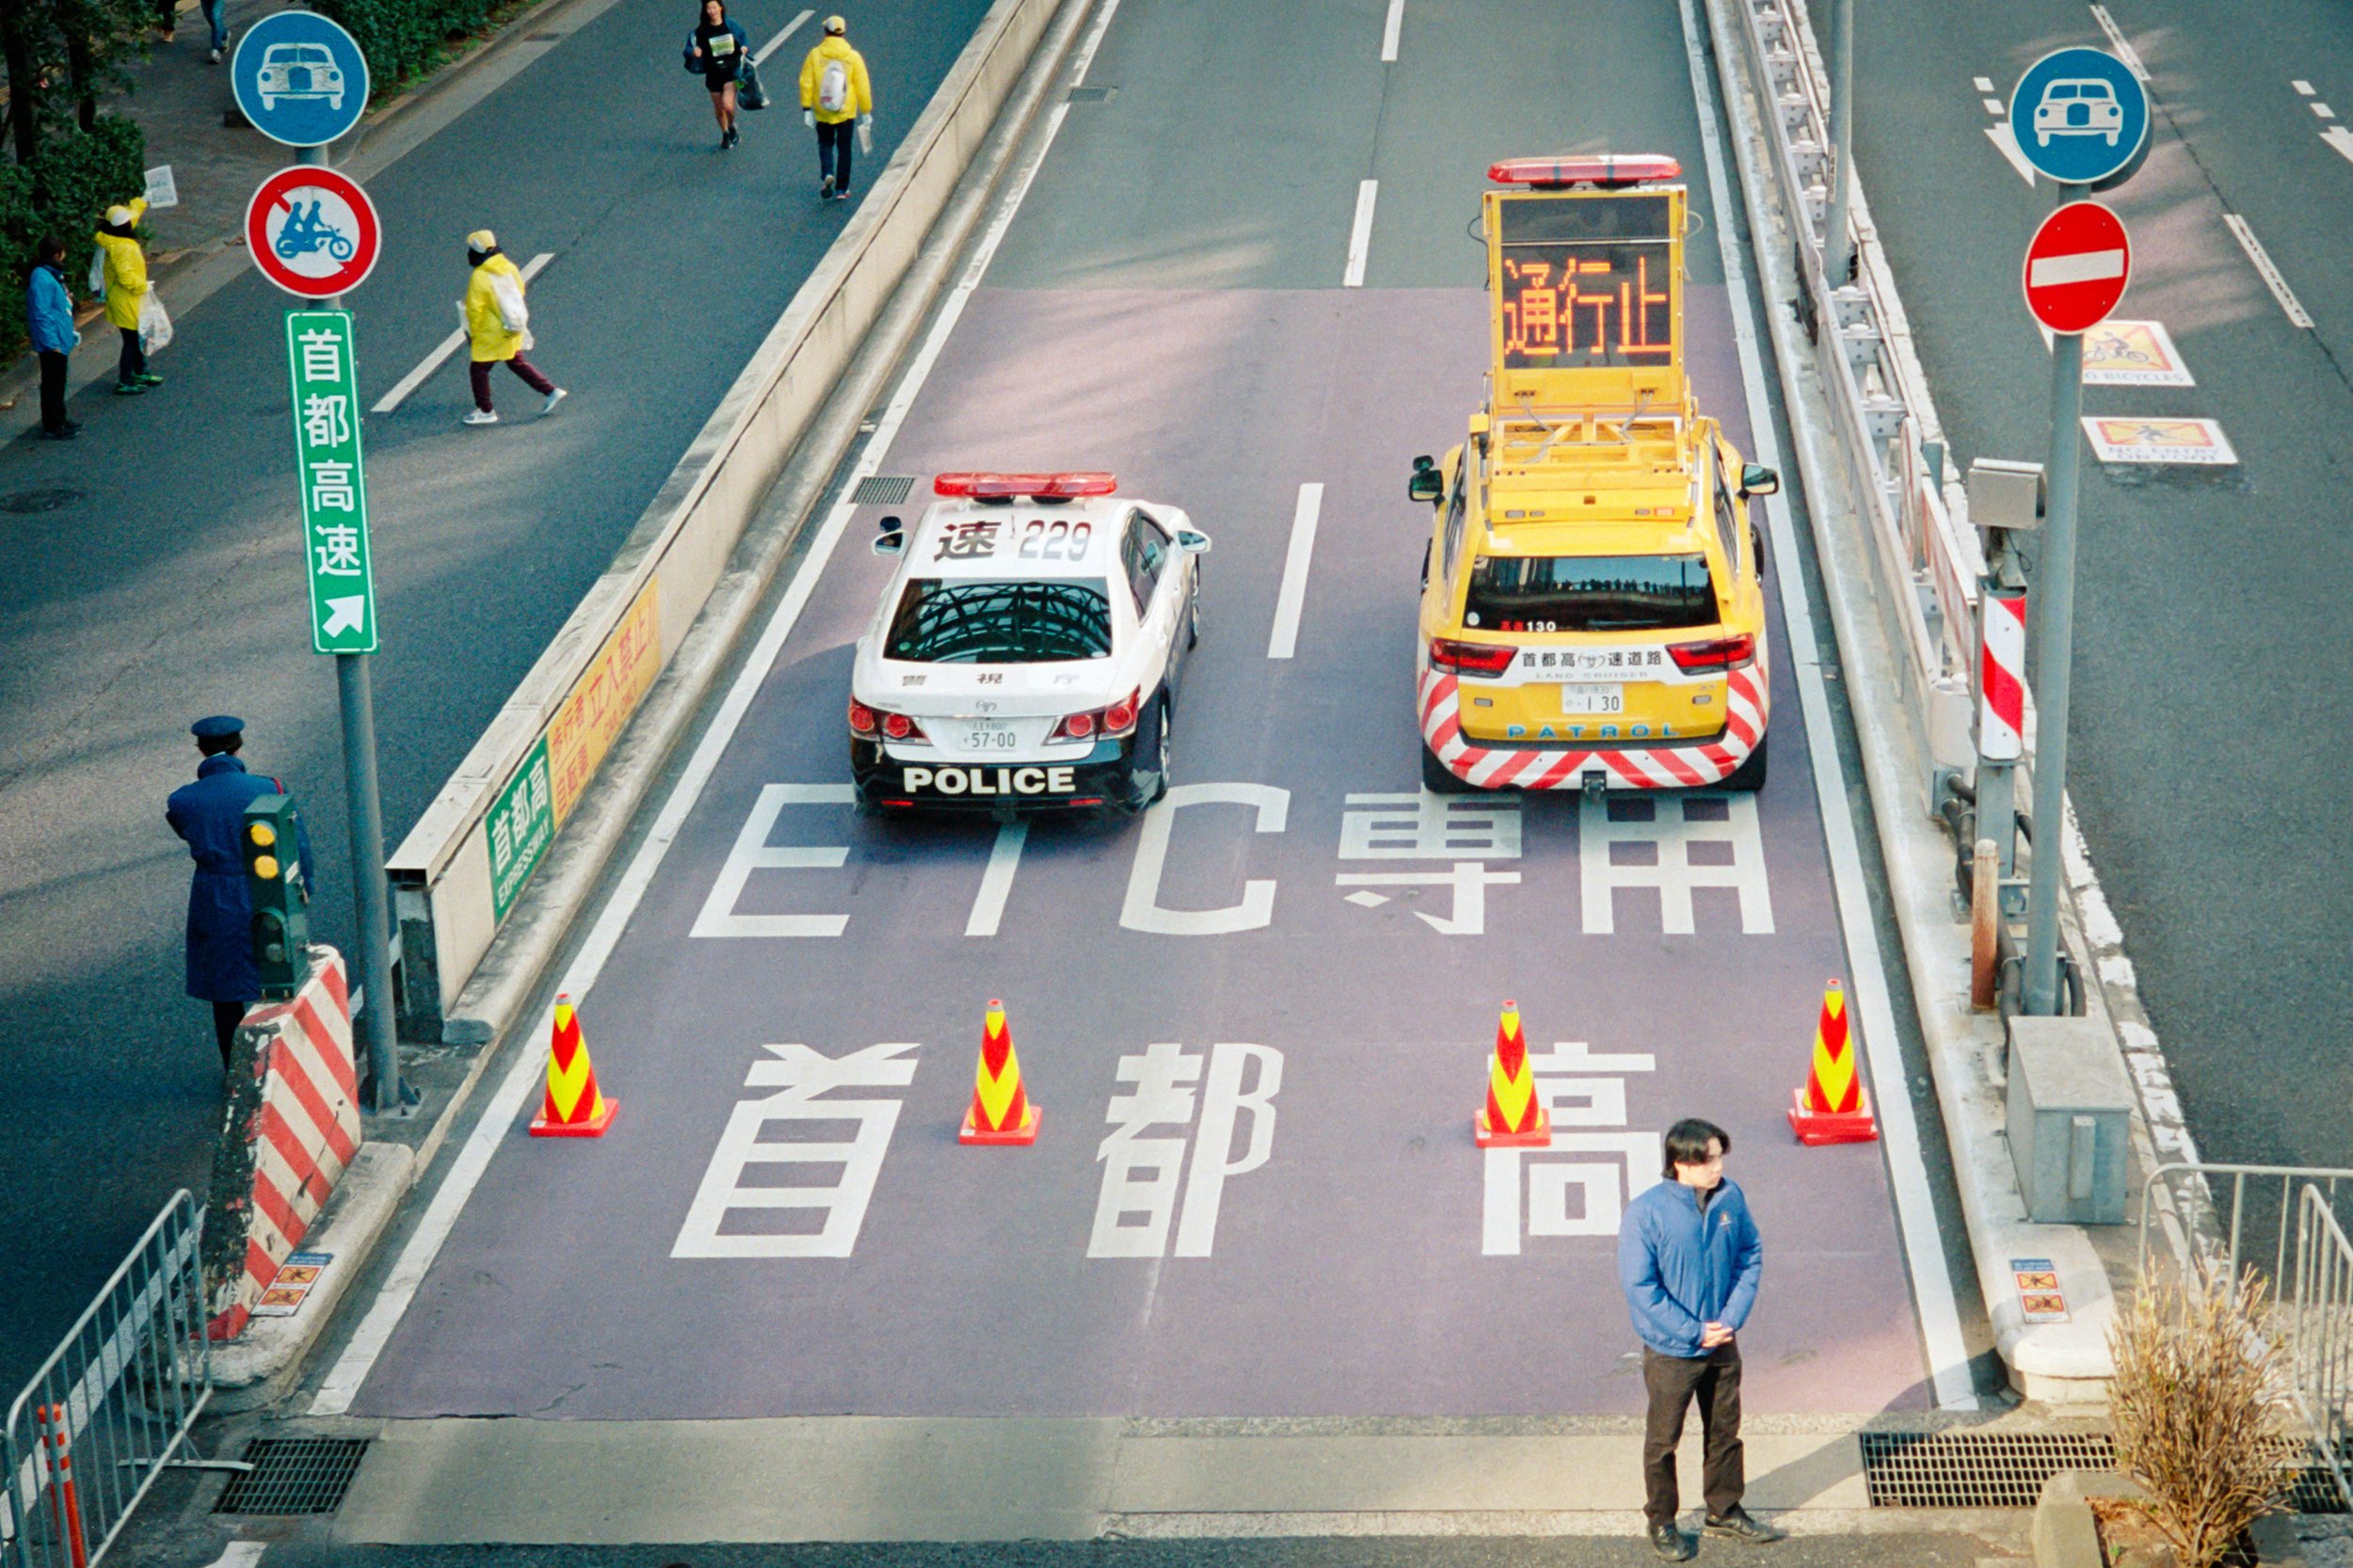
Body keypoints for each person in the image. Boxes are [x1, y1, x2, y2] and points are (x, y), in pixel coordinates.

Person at [1617, 1118, 1784, 1560]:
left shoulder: (1731, 1197)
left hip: (1722, 1340)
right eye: (1709, 1159)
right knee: (1663, 1441)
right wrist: (1694, 1330)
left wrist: (1730, 1319)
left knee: (1725, 1430)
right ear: (1681, 1163)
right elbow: (1641, 1288)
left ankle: (1723, 1509)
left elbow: (1749, 1254)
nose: (1718, 1166)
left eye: (1719, 1157)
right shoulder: (1646, 1213)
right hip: (1672, 1350)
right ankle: (1662, 1520)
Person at [165, 716, 309, 1069]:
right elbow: (297, 844)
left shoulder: (183, 799)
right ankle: (285, 1063)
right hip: (267, 887)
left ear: (201, 749)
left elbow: (184, 831)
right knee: (278, 974)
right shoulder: (270, 787)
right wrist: (304, 889)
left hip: (216, 895)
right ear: (238, 746)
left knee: (225, 987)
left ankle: (237, 1069)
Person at [459, 230, 567, 426]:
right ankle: (550, 391)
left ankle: (486, 410)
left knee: (479, 369)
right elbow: (519, 290)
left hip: (490, 332)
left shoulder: (480, 276)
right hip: (512, 325)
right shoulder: (509, 267)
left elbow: (474, 309)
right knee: (515, 361)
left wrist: (473, 332)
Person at [93, 200, 163, 397]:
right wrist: (143, 286)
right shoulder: (123, 247)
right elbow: (125, 276)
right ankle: (125, 380)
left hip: (123, 299)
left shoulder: (111, 238)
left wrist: (140, 203)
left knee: (137, 337)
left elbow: (132, 216)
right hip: (127, 300)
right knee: (132, 342)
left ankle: (140, 371)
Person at [799, 14, 872, 200]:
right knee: (844, 148)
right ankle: (842, 189)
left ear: (825, 32)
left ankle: (827, 173)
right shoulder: (853, 56)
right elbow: (862, 85)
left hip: (823, 109)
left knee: (825, 143)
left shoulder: (815, 54)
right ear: (843, 33)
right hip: (846, 111)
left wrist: (807, 108)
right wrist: (866, 110)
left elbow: (806, 82)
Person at [25, 236, 80, 440]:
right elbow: (41, 314)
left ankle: (60, 418)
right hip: (52, 341)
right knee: (52, 384)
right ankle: (52, 425)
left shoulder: (49, 273)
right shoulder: (42, 278)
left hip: (58, 337)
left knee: (58, 381)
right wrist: (52, 344)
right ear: (57, 255)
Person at [688, 0, 751, 149]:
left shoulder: (731, 25)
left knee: (728, 106)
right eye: (708, 8)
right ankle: (725, 133)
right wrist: (694, 52)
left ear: (720, 8)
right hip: (713, 74)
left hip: (733, 73)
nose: (712, 11)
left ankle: (731, 125)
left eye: (714, 7)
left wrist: (744, 47)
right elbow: (690, 47)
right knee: (719, 108)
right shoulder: (702, 31)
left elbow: (743, 37)